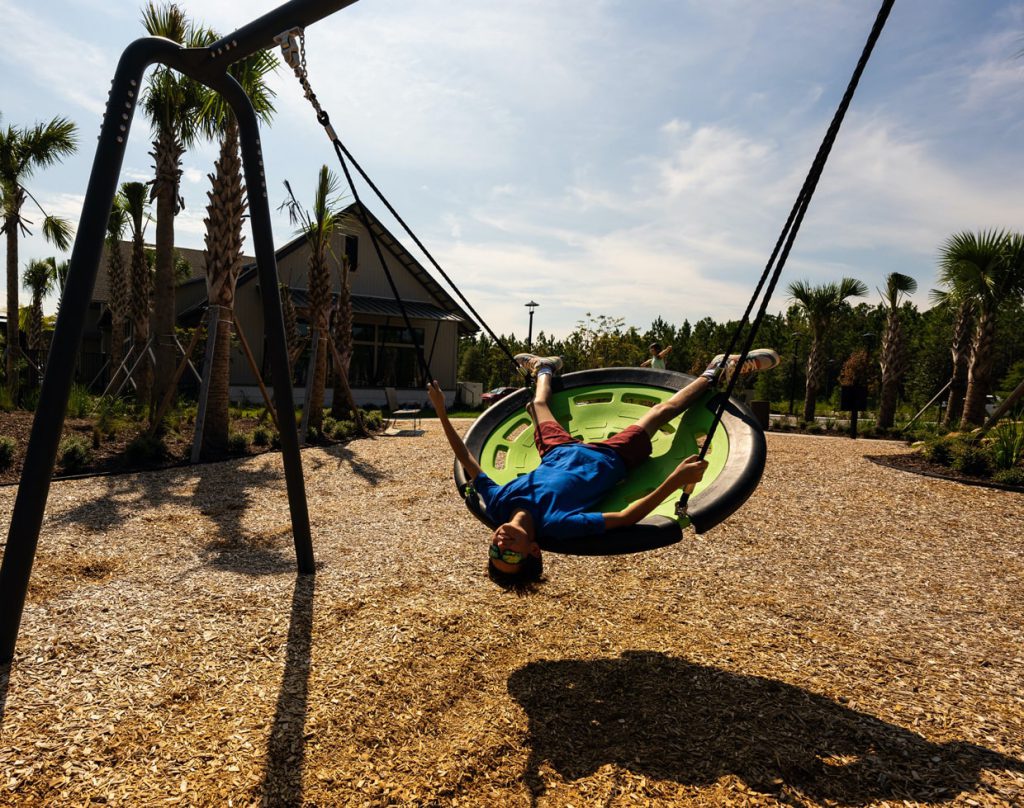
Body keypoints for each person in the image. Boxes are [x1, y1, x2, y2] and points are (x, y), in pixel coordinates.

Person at [427, 348, 780, 586]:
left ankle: (546, 367)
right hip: (612, 458)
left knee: (537, 403)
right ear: (534, 550)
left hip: (557, 452)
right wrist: (674, 481)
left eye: (494, 551)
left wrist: (442, 411)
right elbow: (624, 518)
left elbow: (467, 460)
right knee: (661, 413)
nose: (500, 543)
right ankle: (718, 370)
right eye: (508, 554)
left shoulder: (499, 503)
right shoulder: (557, 525)